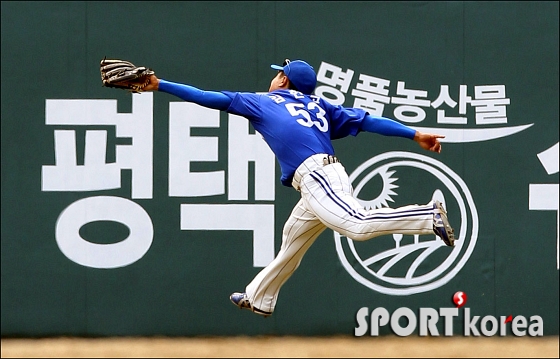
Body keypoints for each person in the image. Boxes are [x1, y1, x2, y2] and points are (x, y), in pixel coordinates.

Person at [141, 58, 455, 317]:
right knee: (293, 238)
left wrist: (160, 85)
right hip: (322, 177)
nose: (275, 78)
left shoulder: (263, 102)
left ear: (284, 81)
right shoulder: (320, 105)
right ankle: (259, 296)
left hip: (317, 178)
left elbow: (207, 97)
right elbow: (370, 121)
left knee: (357, 226)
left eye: (279, 74)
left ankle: (427, 217)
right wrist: (413, 134)